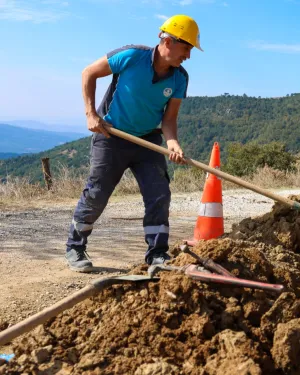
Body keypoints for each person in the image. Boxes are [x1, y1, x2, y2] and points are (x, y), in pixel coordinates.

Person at [64, 15, 203, 272]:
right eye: (187, 48)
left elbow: (169, 119)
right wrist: (90, 114)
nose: (188, 56)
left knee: (159, 195)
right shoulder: (131, 56)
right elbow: (89, 73)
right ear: (169, 41)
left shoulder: (180, 78)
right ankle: (75, 246)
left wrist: (173, 143)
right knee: (97, 193)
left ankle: (157, 254)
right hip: (111, 136)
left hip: (148, 140)